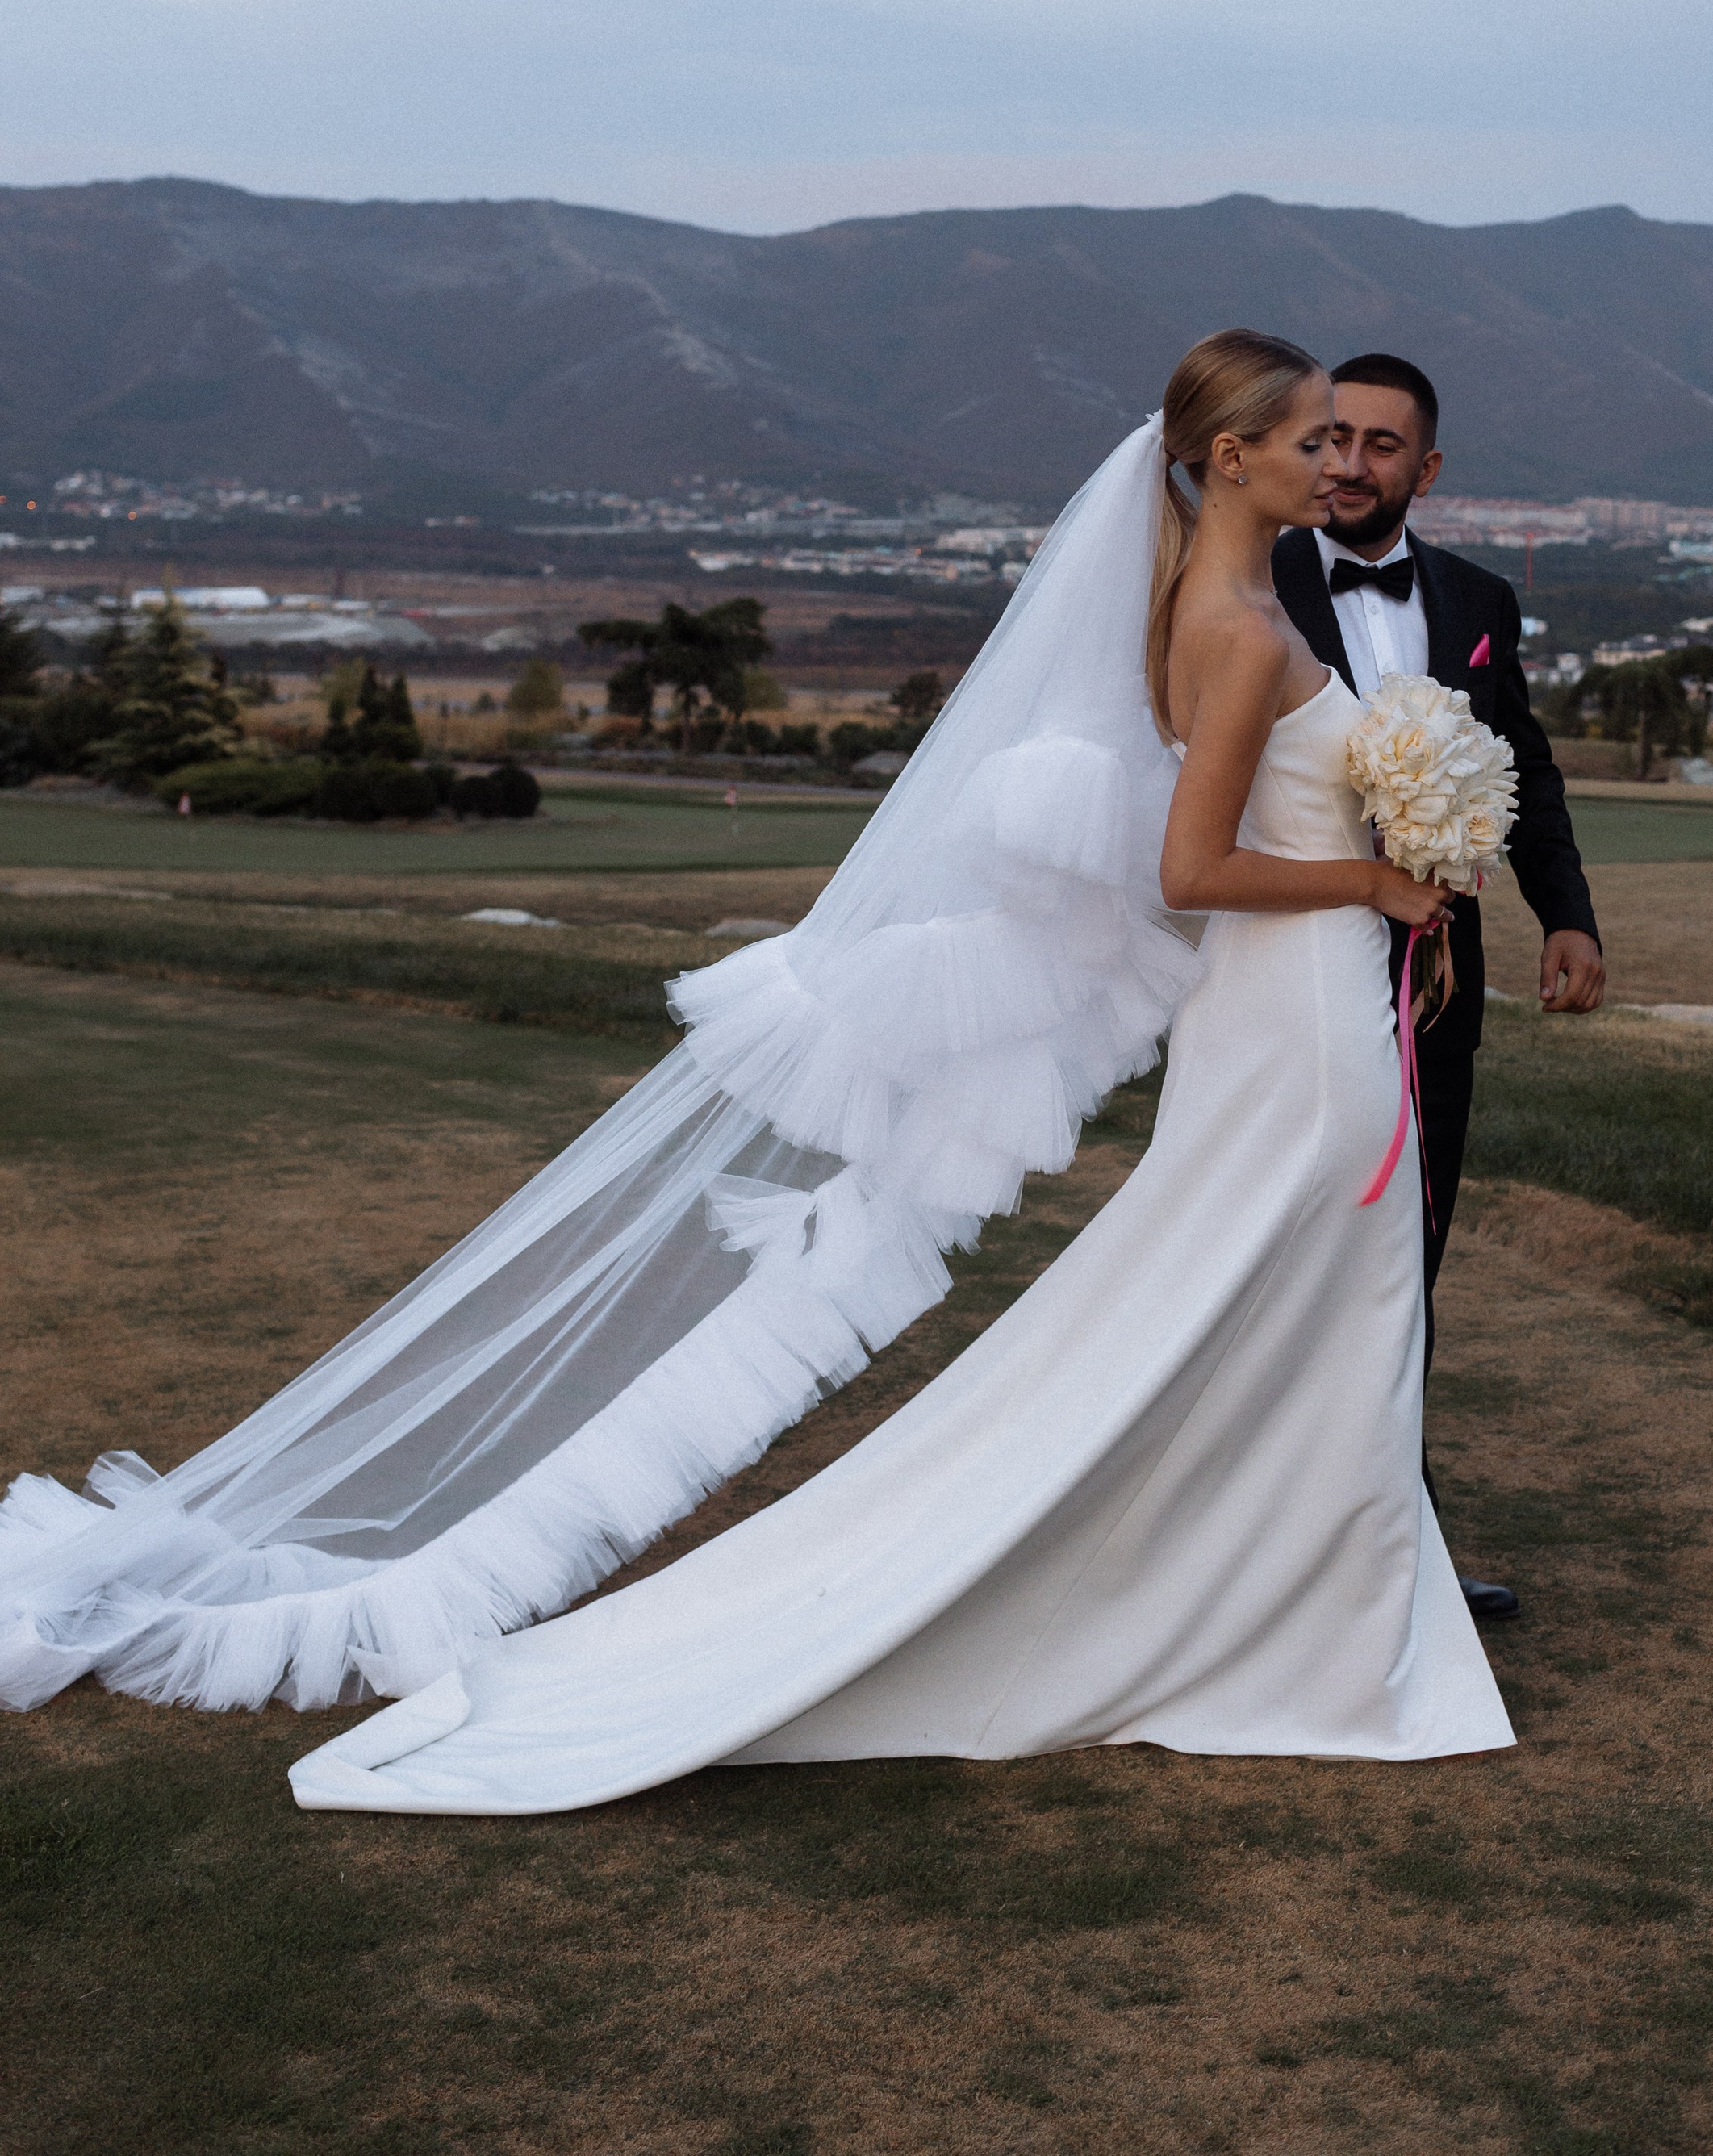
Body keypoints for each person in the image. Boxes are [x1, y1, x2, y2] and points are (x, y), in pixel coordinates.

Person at [1, 333, 1512, 1806]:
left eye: (1346, 439)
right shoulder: (1241, 628)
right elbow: (1193, 867)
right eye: (1313, 437)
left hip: (1299, 1012)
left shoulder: (1210, 595)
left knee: (1282, 1296)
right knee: (1309, 1289)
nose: (1337, 461)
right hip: (1307, 1014)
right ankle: (1296, 1620)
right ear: (1230, 455)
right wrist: (1373, 886)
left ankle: (1294, 1596)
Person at [1272, 353, 1603, 1623]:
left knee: (1406, 1262)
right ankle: (1257, 1551)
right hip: (1289, 975)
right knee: (1283, 1252)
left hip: (1441, 990)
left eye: (1380, 445)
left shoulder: (1476, 598)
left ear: (1427, 468)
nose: (1350, 465)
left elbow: (1519, 760)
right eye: (1332, 437)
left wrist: (1564, 913)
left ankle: (1389, 1553)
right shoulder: (1243, 580)